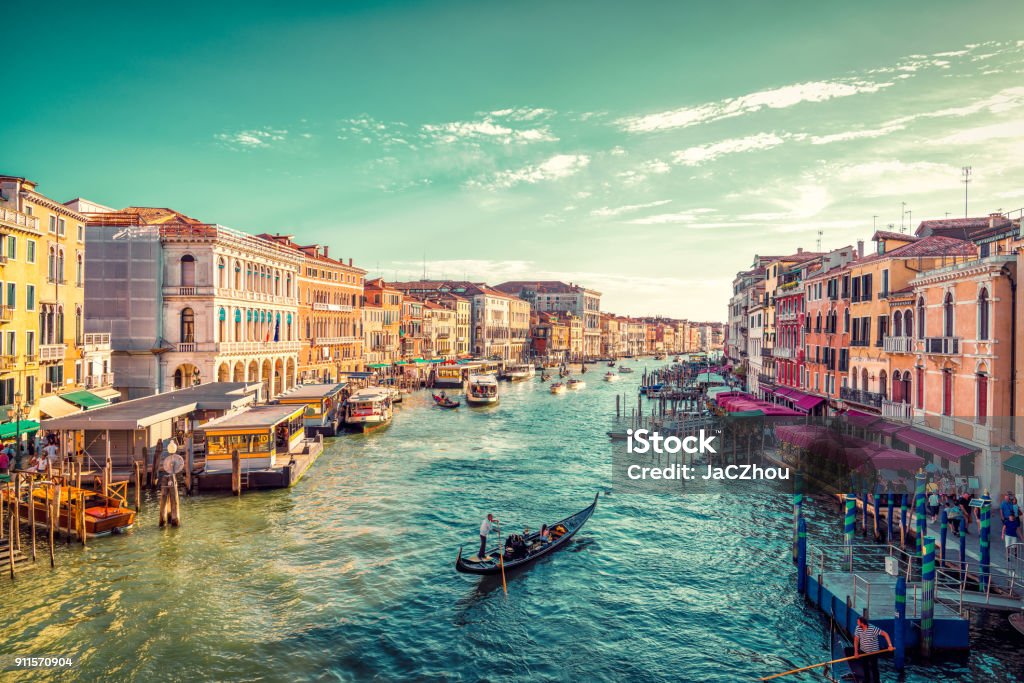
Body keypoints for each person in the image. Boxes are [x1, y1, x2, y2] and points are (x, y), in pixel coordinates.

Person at [853, 615, 892, 683]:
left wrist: (890, 645)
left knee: (874, 668)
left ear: (862, 623)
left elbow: (885, 634)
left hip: (874, 652)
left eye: (858, 622)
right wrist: (856, 652)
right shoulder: (858, 628)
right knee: (865, 667)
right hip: (863, 651)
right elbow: (856, 640)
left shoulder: (873, 628)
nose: (857, 623)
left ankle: (876, 681)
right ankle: (867, 680)